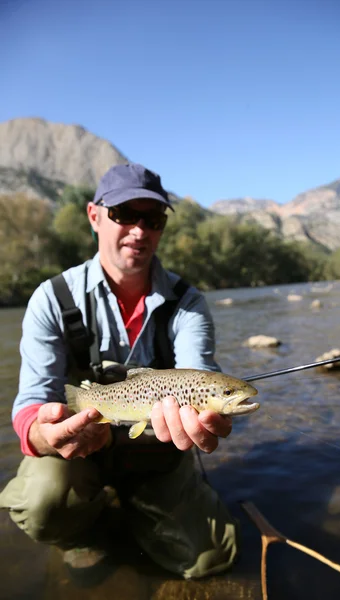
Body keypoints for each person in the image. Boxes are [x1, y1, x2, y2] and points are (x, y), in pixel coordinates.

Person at [0, 163, 238, 582]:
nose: (140, 230)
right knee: (41, 505)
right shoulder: (53, 299)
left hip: (156, 450)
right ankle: (82, 531)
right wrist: (44, 434)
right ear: (94, 216)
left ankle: (144, 504)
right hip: (81, 447)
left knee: (211, 560)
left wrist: (206, 418)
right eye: (125, 214)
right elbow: (31, 405)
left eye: (153, 219)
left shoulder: (188, 304)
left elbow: (200, 371)